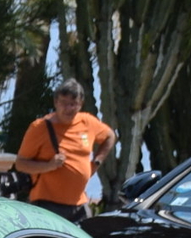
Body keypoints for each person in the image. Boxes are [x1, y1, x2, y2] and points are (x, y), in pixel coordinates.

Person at [14, 79, 116, 222]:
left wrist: (97, 161)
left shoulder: (87, 122)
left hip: (79, 205)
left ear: (80, 105)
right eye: (63, 103)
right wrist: (48, 166)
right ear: (55, 102)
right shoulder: (40, 128)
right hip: (47, 205)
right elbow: (20, 164)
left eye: (72, 104)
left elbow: (110, 136)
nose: (67, 108)